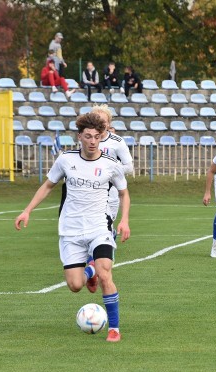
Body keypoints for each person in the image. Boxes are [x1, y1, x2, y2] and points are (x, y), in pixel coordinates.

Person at [14, 112, 131, 342]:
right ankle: (89, 273)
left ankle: (114, 329)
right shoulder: (66, 160)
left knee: (106, 271)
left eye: (97, 137)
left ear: (101, 137)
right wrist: (27, 210)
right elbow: (48, 186)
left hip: (100, 226)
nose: (92, 141)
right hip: (71, 230)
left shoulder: (111, 164)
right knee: (75, 285)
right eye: (88, 136)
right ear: (79, 137)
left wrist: (124, 220)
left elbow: (124, 193)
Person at [91, 104, 134, 225]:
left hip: (111, 192)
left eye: (103, 121)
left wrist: (109, 172)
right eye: (96, 120)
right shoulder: (87, 140)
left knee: (106, 225)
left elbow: (129, 167)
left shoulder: (117, 142)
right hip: (90, 191)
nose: (100, 124)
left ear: (109, 123)